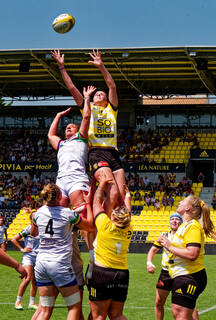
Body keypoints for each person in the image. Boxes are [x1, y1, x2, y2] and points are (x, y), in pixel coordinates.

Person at [52, 49, 125, 212]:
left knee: (120, 198)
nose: (99, 94)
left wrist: (101, 66)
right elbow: (71, 87)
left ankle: (111, 226)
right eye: (96, 94)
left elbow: (111, 85)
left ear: (106, 99)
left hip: (113, 153)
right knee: (112, 194)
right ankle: (101, 223)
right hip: (96, 153)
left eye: (102, 93)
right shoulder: (88, 107)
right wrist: (62, 67)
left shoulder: (112, 109)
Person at [48, 86, 96, 320]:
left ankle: (94, 254)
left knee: (83, 217)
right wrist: (58, 117)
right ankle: (65, 253)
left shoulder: (81, 138)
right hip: (61, 182)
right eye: (66, 126)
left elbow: (86, 116)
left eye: (71, 126)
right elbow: (50, 135)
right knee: (61, 216)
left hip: (77, 180)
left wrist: (86, 99)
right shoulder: (61, 144)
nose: (68, 127)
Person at [31, 183, 95, 320]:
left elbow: (33, 232)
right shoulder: (68, 214)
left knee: (45, 311)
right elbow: (90, 227)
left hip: (41, 265)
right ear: (60, 196)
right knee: (74, 307)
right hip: (60, 265)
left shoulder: (37, 214)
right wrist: (88, 204)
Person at [157, 195, 215, 320]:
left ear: (188, 208)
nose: (179, 202)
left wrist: (169, 246)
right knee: (181, 315)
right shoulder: (184, 226)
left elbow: (192, 253)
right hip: (182, 275)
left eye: (182, 201)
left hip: (189, 276)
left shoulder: (192, 227)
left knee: (181, 316)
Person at [86, 178, 133, 320]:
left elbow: (96, 203)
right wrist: (127, 197)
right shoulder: (129, 229)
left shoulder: (105, 225)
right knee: (117, 315)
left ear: (112, 216)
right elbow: (128, 213)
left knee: (99, 316)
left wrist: (101, 186)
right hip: (122, 274)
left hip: (102, 273)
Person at [147, 213, 191, 320]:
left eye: (177, 219)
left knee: (188, 305)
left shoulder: (185, 235)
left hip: (181, 273)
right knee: (158, 302)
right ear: (169, 222)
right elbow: (153, 250)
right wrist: (149, 262)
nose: (174, 221)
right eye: (172, 219)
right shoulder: (164, 236)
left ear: (181, 222)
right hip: (165, 273)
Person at [11, 210, 39, 310]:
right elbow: (13, 239)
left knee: (35, 281)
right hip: (29, 256)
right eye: (35, 217)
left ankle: (32, 303)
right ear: (31, 219)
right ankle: (18, 302)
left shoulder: (42, 229)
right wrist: (22, 249)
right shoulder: (27, 229)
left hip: (39, 257)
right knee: (27, 278)